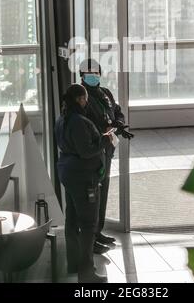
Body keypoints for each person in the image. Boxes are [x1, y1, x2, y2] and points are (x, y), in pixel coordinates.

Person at [55, 83, 112, 283]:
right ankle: (87, 273)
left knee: (71, 219)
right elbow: (86, 151)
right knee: (88, 224)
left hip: (69, 174)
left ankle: (73, 263)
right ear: (79, 99)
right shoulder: (79, 121)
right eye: (85, 98)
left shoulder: (62, 119)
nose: (87, 102)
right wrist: (105, 140)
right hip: (83, 177)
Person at [79, 58, 134, 254]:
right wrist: (105, 128)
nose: (94, 76)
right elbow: (84, 124)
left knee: (103, 192)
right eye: (89, 74)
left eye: (96, 73)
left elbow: (117, 112)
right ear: (82, 76)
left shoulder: (105, 93)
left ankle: (98, 231)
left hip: (107, 151)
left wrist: (118, 124)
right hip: (93, 154)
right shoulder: (81, 97)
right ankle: (91, 237)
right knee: (93, 195)